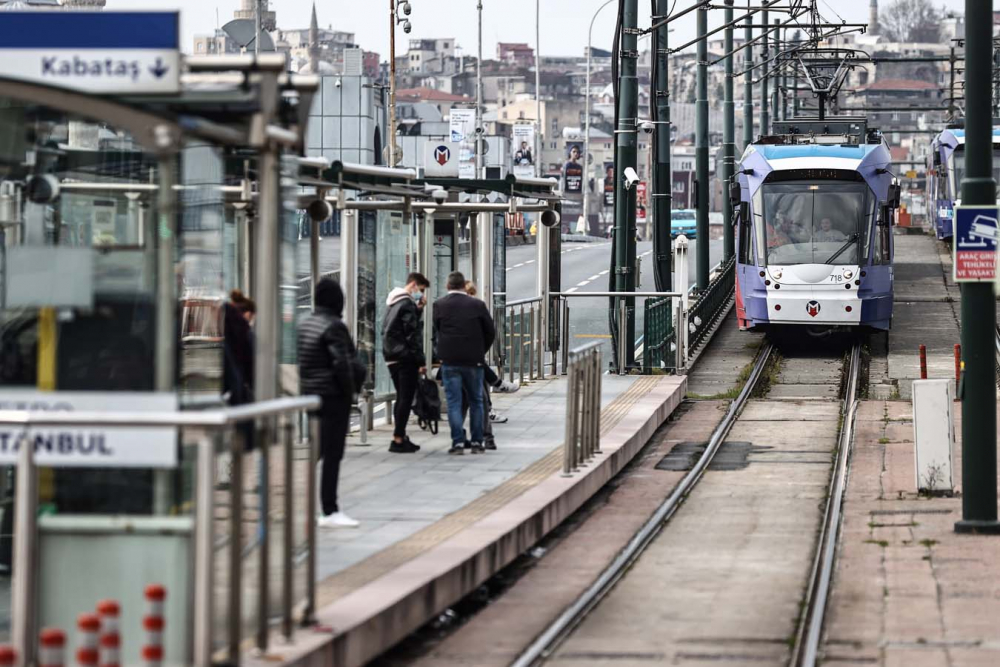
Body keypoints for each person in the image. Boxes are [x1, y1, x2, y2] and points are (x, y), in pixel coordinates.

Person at [298, 278, 367, 528]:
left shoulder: (305, 324)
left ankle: (309, 505)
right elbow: (343, 364)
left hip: (312, 396)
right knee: (333, 455)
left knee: (318, 451)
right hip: (332, 397)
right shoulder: (334, 326)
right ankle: (330, 509)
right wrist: (351, 393)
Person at [433, 272, 496, 455]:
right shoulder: (477, 305)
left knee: (454, 403)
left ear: (448, 286)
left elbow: (437, 330)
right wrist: (479, 350)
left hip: (450, 361)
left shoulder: (439, 305)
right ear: (463, 286)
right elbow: (490, 331)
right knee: (476, 401)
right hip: (473, 362)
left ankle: (458, 443)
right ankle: (477, 442)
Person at [382, 272, 430, 454]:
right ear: (414, 285)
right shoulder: (406, 303)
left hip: (391, 356)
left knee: (401, 396)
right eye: (421, 290)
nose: (422, 294)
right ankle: (398, 439)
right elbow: (412, 335)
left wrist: (418, 310)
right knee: (406, 397)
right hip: (404, 357)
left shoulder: (393, 301)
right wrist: (421, 361)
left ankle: (399, 435)